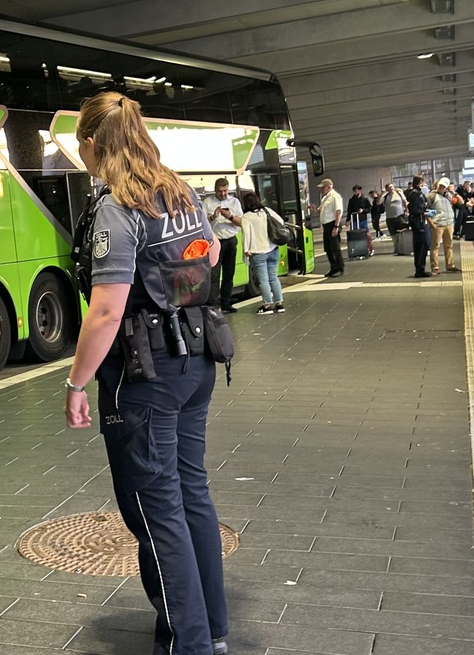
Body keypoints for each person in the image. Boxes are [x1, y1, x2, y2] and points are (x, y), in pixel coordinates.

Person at [64, 91, 228, 655]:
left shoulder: (118, 205)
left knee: (157, 513)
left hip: (146, 377)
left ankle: (191, 643)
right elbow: (205, 264)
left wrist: (76, 382)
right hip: (196, 361)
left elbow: (106, 310)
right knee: (192, 494)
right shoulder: (180, 191)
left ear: (91, 144)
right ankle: (214, 630)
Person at [202, 177, 242, 313]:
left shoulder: (234, 202)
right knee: (214, 275)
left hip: (230, 240)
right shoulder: (207, 202)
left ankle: (226, 303)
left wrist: (230, 217)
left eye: (225, 191)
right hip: (215, 242)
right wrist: (213, 217)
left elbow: (241, 222)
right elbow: (201, 224)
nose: (223, 194)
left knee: (229, 273)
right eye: (220, 191)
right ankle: (214, 304)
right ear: (215, 190)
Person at [242, 192, 285, 314]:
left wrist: (246, 249)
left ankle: (267, 305)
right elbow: (280, 221)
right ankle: (279, 304)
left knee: (263, 280)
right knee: (273, 277)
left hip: (258, 252)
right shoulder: (267, 211)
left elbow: (246, 234)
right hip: (272, 249)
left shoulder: (247, 217)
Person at [313, 178, 344, 277]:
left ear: (329, 187)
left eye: (323, 187)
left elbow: (338, 211)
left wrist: (336, 226)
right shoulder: (325, 198)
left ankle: (339, 267)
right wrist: (315, 210)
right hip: (326, 225)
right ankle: (333, 267)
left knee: (335, 247)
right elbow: (321, 211)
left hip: (332, 224)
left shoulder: (335, 197)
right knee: (328, 248)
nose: (321, 189)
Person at [427, 178, 458, 274]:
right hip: (438, 224)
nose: (441, 188)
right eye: (440, 186)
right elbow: (426, 211)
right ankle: (434, 266)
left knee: (449, 246)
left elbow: (459, 202)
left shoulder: (448, 196)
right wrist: (431, 223)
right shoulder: (431, 196)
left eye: (444, 187)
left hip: (449, 223)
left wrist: (454, 193)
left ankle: (450, 265)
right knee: (435, 246)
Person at [407, 176, 431, 277]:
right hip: (418, 222)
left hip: (418, 221)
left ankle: (420, 268)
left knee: (421, 246)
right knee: (422, 245)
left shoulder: (415, 193)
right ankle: (420, 269)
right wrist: (424, 212)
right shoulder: (416, 194)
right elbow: (415, 209)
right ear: (420, 182)